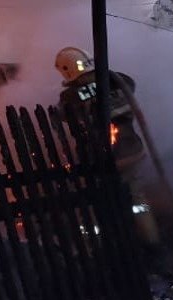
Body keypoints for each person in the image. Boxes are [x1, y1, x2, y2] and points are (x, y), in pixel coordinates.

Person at [54, 47, 157, 243]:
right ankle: (151, 241)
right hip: (132, 150)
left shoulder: (71, 95)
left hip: (99, 159)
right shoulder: (117, 79)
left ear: (67, 70)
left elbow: (60, 117)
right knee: (136, 198)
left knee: (93, 202)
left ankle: (97, 247)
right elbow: (130, 85)